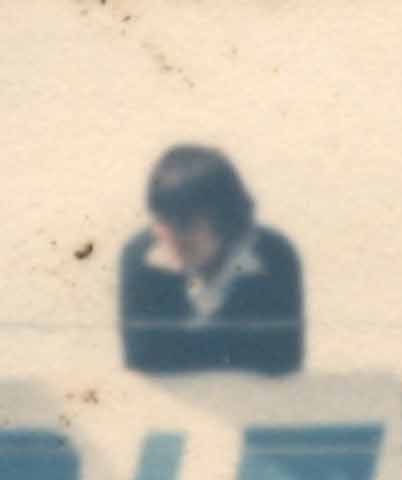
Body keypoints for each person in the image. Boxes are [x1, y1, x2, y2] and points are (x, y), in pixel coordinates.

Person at [118, 146, 301, 378]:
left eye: (184, 221)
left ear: (225, 219)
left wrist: (183, 349)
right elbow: (142, 358)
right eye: (162, 218)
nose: (170, 233)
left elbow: (282, 359)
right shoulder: (141, 259)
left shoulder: (274, 257)